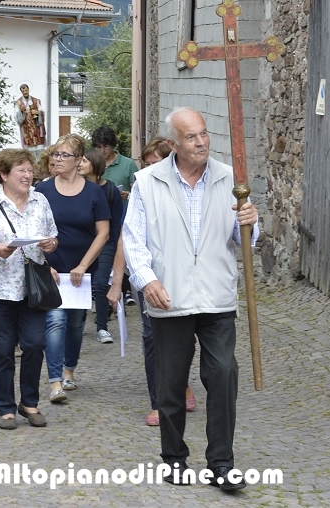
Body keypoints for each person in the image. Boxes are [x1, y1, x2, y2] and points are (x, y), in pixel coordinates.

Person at [123, 108, 259, 489]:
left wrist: (250, 220)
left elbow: (242, 239)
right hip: (171, 298)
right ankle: (174, 458)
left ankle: (221, 463)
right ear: (173, 144)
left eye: (203, 134)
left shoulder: (231, 179)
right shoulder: (147, 182)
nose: (200, 142)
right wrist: (147, 280)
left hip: (216, 297)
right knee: (170, 384)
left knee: (224, 375)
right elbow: (133, 239)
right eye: (191, 137)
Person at [0, 148, 59, 429]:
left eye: (30, 170)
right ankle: (5, 407)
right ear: (4, 175)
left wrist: (51, 244)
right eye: (21, 170)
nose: (28, 175)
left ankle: (29, 402)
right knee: (3, 349)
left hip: (33, 289)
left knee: (34, 344)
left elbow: (53, 238)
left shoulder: (41, 202)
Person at [108, 138, 197, 426]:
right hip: (146, 273)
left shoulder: (187, 190)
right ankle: (159, 402)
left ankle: (180, 381)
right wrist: (117, 282)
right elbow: (127, 237)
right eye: (146, 163)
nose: (150, 168)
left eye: (155, 162)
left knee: (184, 332)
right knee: (151, 337)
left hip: (180, 271)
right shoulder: (140, 190)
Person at [35, 134, 110, 402]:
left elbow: (103, 232)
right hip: (52, 270)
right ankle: (55, 381)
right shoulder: (42, 190)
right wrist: (45, 265)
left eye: (64, 155)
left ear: (79, 161)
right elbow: (33, 230)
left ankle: (69, 370)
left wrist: (83, 265)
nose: (57, 159)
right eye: (55, 154)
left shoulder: (94, 192)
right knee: (55, 321)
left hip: (81, 270)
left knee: (76, 324)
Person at [77, 148, 122, 344]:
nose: (79, 164)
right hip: (82, 244)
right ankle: (77, 325)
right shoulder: (76, 188)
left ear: (95, 165)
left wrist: (113, 247)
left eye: (84, 161)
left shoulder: (110, 189)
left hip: (106, 242)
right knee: (80, 284)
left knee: (100, 283)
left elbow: (117, 223)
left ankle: (102, 327)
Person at [92, 126, 138, 306]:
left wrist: (128, 194)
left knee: (122, 254)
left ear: (113, 146)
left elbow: (138, 190)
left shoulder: (128, 164)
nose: (102, 151)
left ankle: (124, 289)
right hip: (100, 219)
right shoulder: (94, 164)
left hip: (123, 216)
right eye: (98, 147)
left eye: (106, 146)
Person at [14, 83, 46, 160]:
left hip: (36, 128)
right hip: (26, 129)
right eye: (23, 91)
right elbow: (17, 118)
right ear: (21, 92)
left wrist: (38, 113)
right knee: (29, 154)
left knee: (40, 151)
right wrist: (21, 112)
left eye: (26, 90)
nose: (25, 92)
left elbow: (41, 112)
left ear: (28, 89)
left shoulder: (36, 101)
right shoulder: (18, 103)